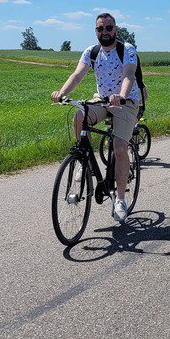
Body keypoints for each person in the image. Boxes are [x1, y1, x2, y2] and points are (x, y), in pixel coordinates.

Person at [51, 13, 140, 222]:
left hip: (125, 102)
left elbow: (128, 74)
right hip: (102, 100)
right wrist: (62, 93)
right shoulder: (91, 52)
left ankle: (120, 200)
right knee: (78, 116)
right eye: (100, 29)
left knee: (119, 147)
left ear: (115, 29)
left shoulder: (126, 50)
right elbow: (77, 75)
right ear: (96, 31)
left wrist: (123, 95)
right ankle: (83, 162)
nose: (105, 32)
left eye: (109, 28)